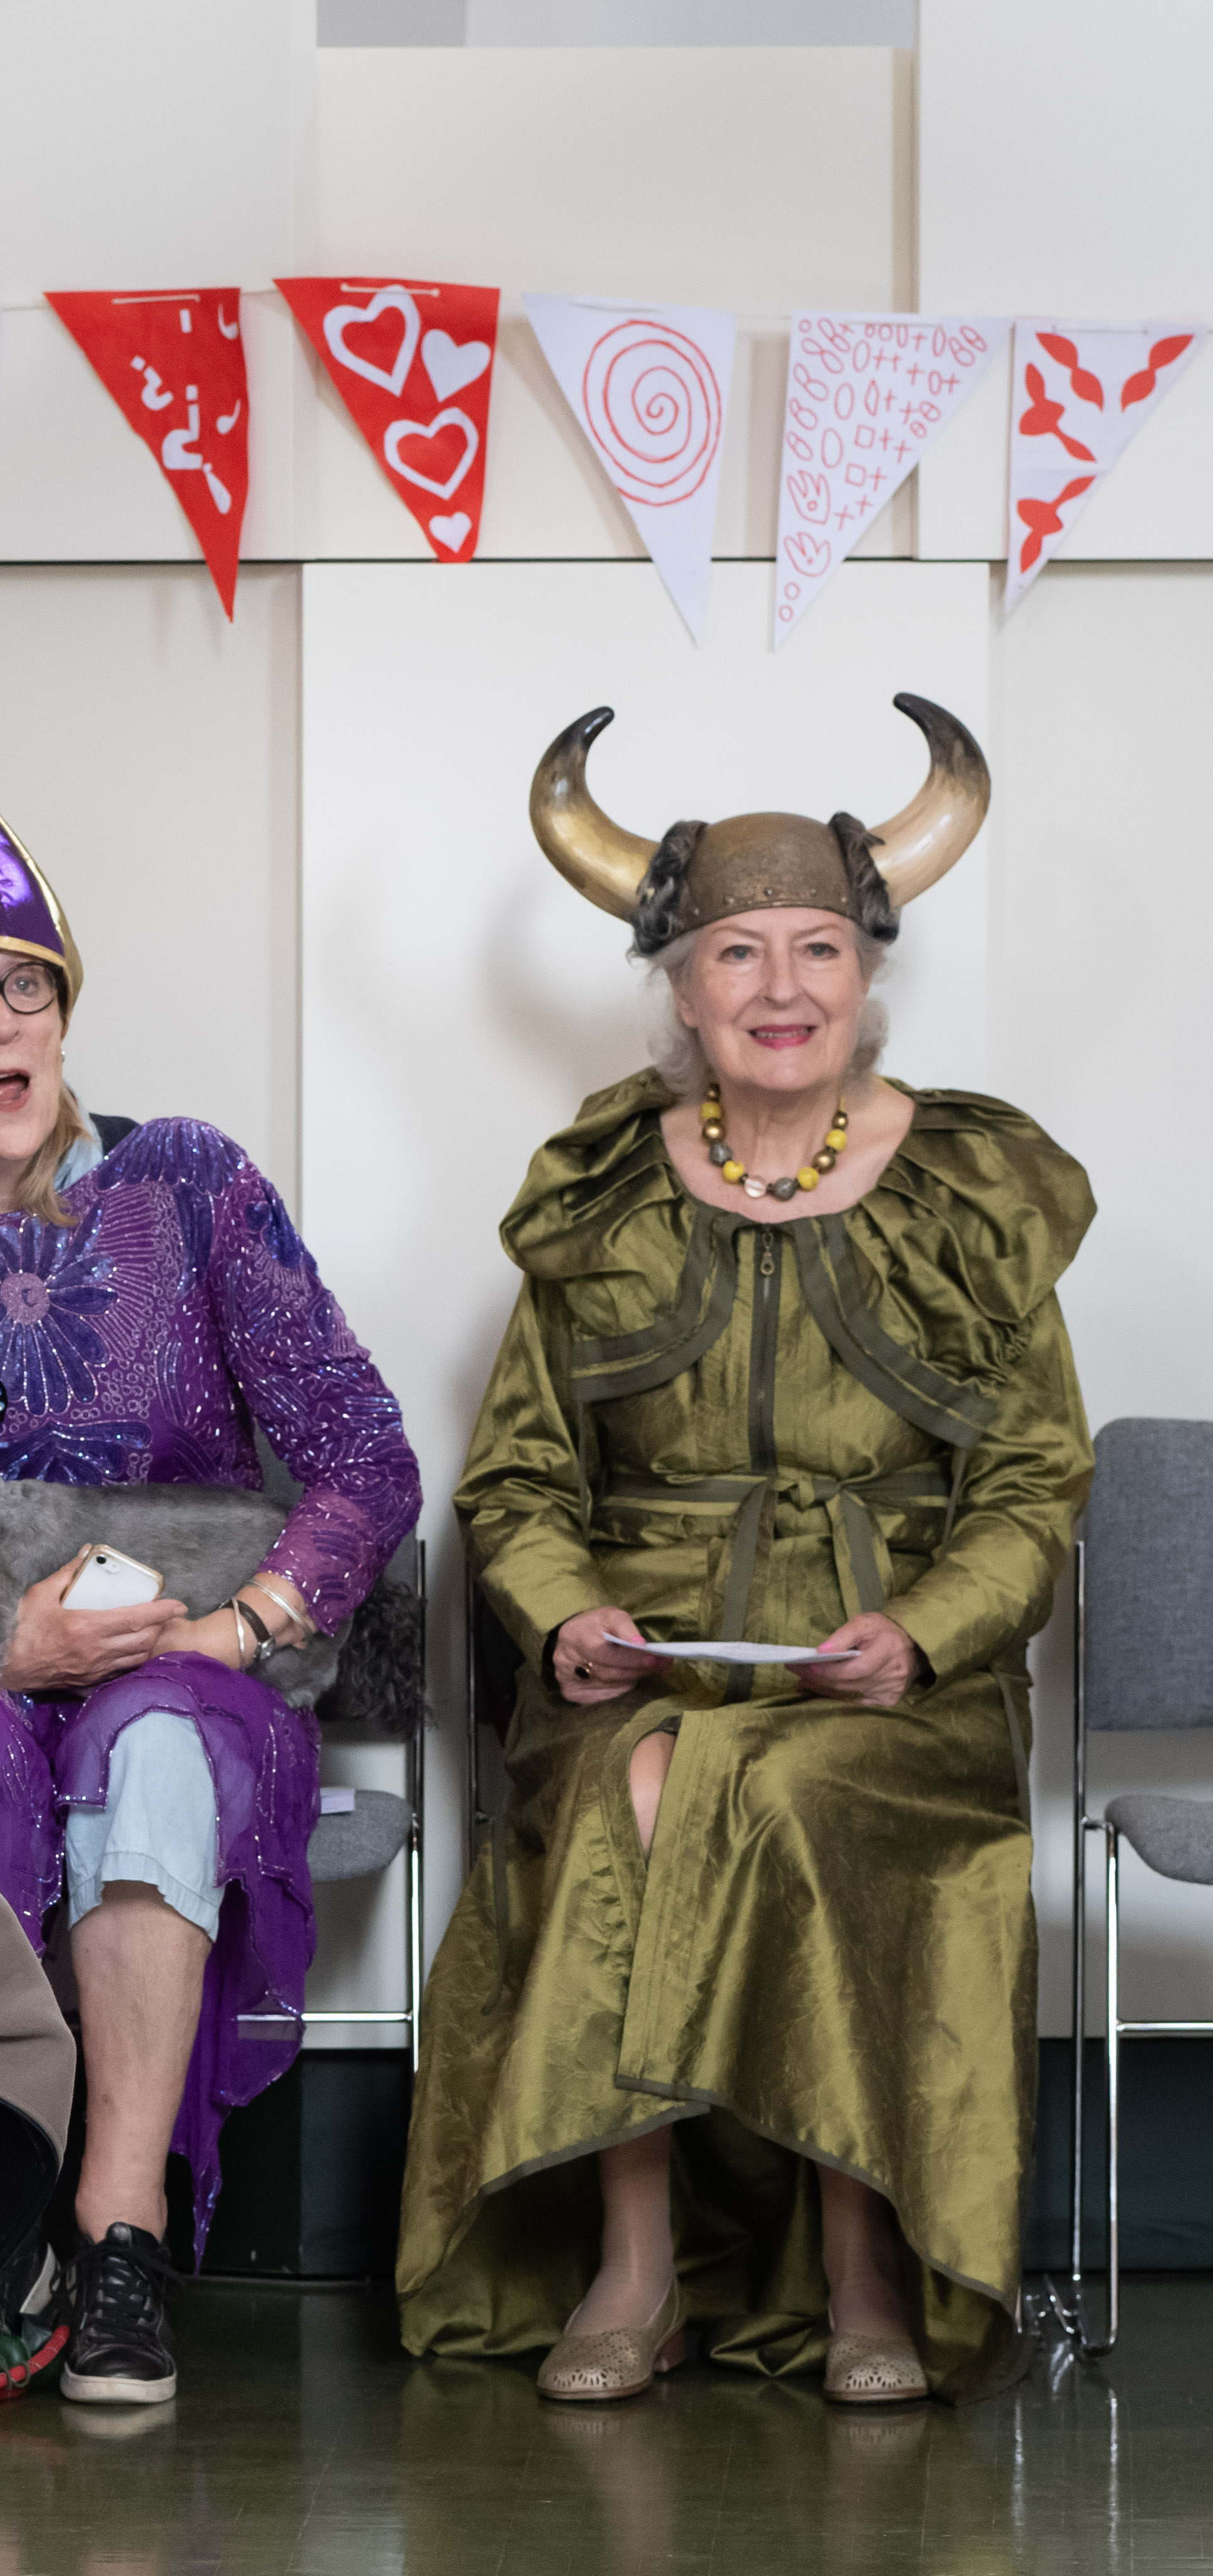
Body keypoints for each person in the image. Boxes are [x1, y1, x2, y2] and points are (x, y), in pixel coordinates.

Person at [400, 694, 1090, 2408]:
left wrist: (923, 1632)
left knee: (780, 1790)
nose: (781, 992)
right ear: (681, 988)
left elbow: (1031, 1487)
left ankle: (864, 2265)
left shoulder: (968, 1194)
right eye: (736, 956)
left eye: (819, 951)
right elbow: (519, 1480)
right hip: (648, 1670)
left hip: (888, 1690)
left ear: (868, 974)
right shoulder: (608, 1196)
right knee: (640, 1780)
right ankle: (639, 2267)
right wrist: (564, 1623)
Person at [0, 754, 422, 2407]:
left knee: (158, 1751)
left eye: (26, 991)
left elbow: (366, 1460)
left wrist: (237, 1622)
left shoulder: (187, 1187)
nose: (2, 1028)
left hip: (188, 1670)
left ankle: (118, 2245)